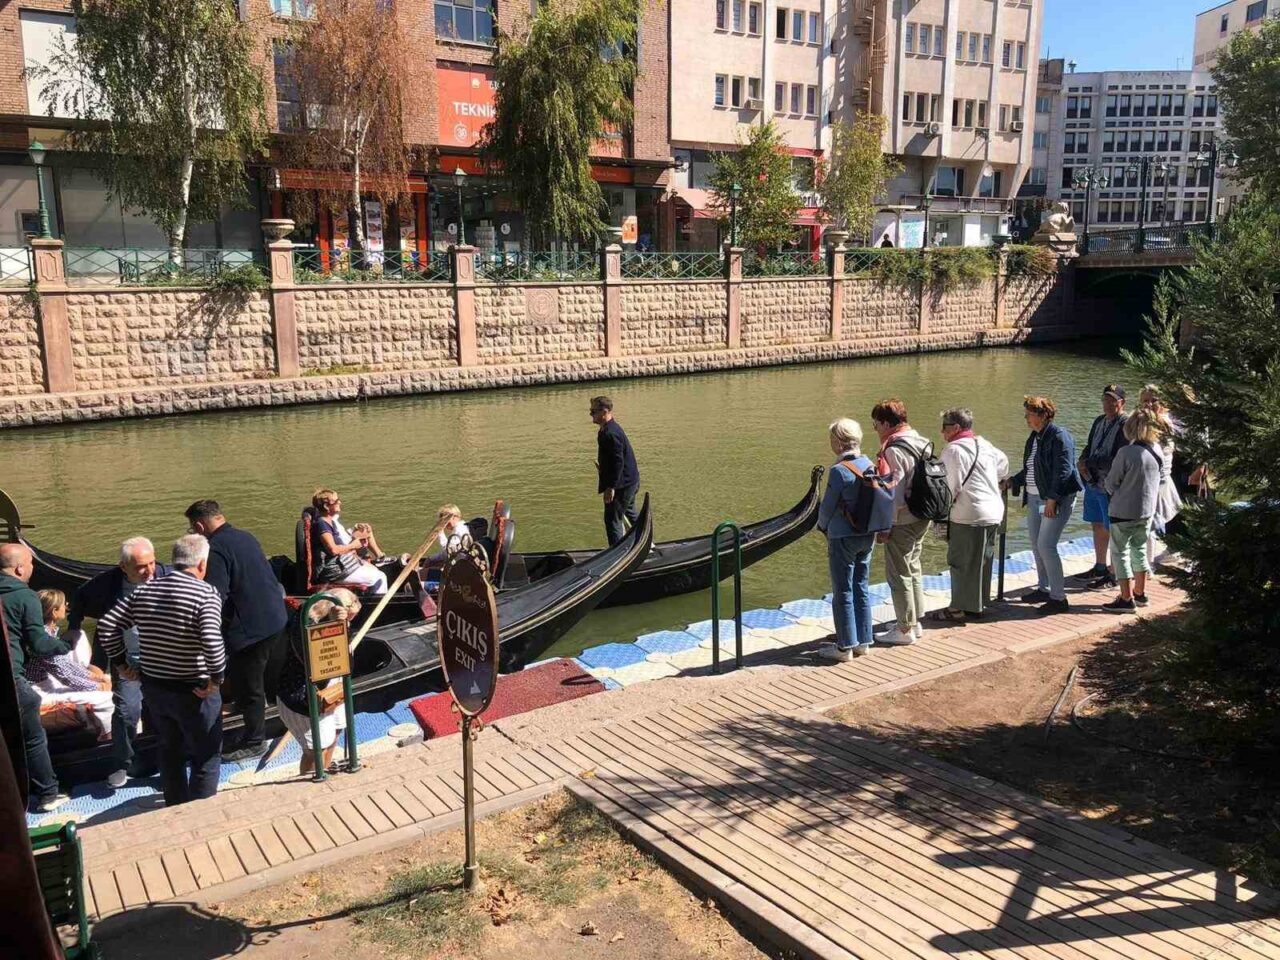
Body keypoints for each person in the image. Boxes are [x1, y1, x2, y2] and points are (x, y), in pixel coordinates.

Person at [96, 535, 226, 807]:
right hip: (195, 691)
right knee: (206, 755)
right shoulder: (205, 594)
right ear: (202, 564)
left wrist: (122, 664)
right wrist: (216, 680)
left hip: (155, 689)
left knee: (170, 750)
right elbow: (213, 645)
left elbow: (107, 627)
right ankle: (203, 815)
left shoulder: (143, 592)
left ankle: (175, 807)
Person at [185, 500, 289, 763]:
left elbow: (215, 595)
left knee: (249, 683)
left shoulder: (216, 548)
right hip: (275, 617)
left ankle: (255, 740)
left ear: (199, 525)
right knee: (262, 675)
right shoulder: (245, 535)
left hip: (250, 630)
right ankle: (258, 709)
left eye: (192, 529)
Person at [66, 536, 169, 788]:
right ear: (123, 567)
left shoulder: (167, 575)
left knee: (163, 711)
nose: (148, 571)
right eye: (140, 567)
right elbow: (79, 597)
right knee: (126, 711)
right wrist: (73, 627)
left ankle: (164, 761)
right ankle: (122, 762)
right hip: (128, 661)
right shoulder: (107, 583)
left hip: (164, 658)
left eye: (151, 563)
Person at [0, 543, 70, 812]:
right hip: (12, 681)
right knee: (33, 738)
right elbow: (39, 644)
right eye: (31, 564)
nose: (32, 568)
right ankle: (47, 794)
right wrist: (64, 645)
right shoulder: (24, 596)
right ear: (19, 568)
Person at [932, 409, 1010, 623]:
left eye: (945, 427)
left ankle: (958, 608)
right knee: (982, 560)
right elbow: (1004, 466)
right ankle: (978, 604)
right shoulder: (984, 444)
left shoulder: (953, 450)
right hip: (994, 511)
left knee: (961, 561)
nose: (942, 431)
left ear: (956, 428)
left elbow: (948, 486)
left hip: (968, 513)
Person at [277, 588, 361, 776]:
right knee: (315, 750)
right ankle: (314, 780)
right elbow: (315, 662)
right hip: (303, 697)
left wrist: (344, 626)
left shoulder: (336, 621)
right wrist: (333, 624)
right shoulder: (303, 623)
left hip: (333, 688)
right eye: (350, 614)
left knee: (333, 736)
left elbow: (345, 658)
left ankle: (325, 769)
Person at [1011, 396, 1082, 615]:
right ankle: (1044, 588)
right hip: (1034, 499)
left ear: (1043, 415)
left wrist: (1052, 499)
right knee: (1036, 544)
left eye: (1029, 414)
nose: (1026, 418)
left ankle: (1059, 599)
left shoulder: (1059, 436)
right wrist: (1013, 481)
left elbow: (1064, 471)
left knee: (1046, 545)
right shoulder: (1035, 438)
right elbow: (1032, 469)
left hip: (1054, 499)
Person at [815, 419, 878, 661]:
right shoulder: (869, 464)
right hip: (867, 534)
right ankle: (864, 641)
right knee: (861, 586)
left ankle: (844, 647)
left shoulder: (839, 471)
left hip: (843, 536)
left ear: (838, 442)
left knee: (842, 590)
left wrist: (821, 527)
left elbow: (827, 508)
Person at [871, 399, 930, 647]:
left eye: (876, 425)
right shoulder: (922, 441)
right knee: (913, 567)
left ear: (886, 423)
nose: (875, 430)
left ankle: (904, 628)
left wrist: (886, 525)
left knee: (898, 573)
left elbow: (894, 492)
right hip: (923, 514)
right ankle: (914, 621)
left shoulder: (894, 449)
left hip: (903, 519)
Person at [26, 589, 114, 739]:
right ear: (54, 612)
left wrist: (93, 677)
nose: (66, 606)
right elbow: (65, 675)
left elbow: (65, 665)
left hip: (47, 681)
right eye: (63, 604)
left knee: (79, 636)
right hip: (41, 690)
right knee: (106, 699)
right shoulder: (42, 639)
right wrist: (97, 686)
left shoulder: (46, 631)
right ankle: (106, 737)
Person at [1102, 410, 1164, 612]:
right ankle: (1140, 592)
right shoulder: (1156, 452)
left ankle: (1126, 598)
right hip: (1146, 511)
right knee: (1139, 550)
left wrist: (1115, 492)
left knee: (1120, 553)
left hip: (1122, 511)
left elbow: (1111, 482)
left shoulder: (1126, 453)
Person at [1074, 384, 1130, 589]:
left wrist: (1089, 464)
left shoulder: (1126, 425)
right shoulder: (1099, 420)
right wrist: (1082, 461)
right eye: (1105, 400)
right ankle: (1100, 566)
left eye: (1112, 401)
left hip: (1110, 486)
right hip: (1093, 482)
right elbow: (1090, 446)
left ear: (1122, 403)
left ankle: (1114, 575)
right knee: (1097, 524)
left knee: (1113, 529)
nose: (1108, 404)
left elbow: (1118, 458)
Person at [309, 489, 390, 594]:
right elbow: (333, 550)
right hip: (335, 571)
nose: (340, 502)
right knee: (380, 577)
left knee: (375, 570)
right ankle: (379, 606)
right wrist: (353, 545)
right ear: (326, 506)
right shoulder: (322, 524)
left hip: (342, 564)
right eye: (336, 501)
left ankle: (370, 597)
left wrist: (355, 533)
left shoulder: (329, 521)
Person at [1139, 385, 1183, 567]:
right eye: (1145, 401)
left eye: (1153, 400)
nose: (1149, 404)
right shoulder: (1148, 421)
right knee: (1147, 525)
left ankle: (1145, 567)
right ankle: (1144, 564)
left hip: (1158, 482)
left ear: (1162, 403)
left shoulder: (1163, 422)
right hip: (1149, 480)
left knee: (1148, 525)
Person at [591, 396, 640, 546]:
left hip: (622, 485)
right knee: (630, 513)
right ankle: (646, 543)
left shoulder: (610, 433)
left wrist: (611, 487)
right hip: (630, 481)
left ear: (604, 412)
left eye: (593, 411)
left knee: (612, 520)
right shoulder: (609, 429)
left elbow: (619, 462)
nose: (590, 414)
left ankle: (617, 555)